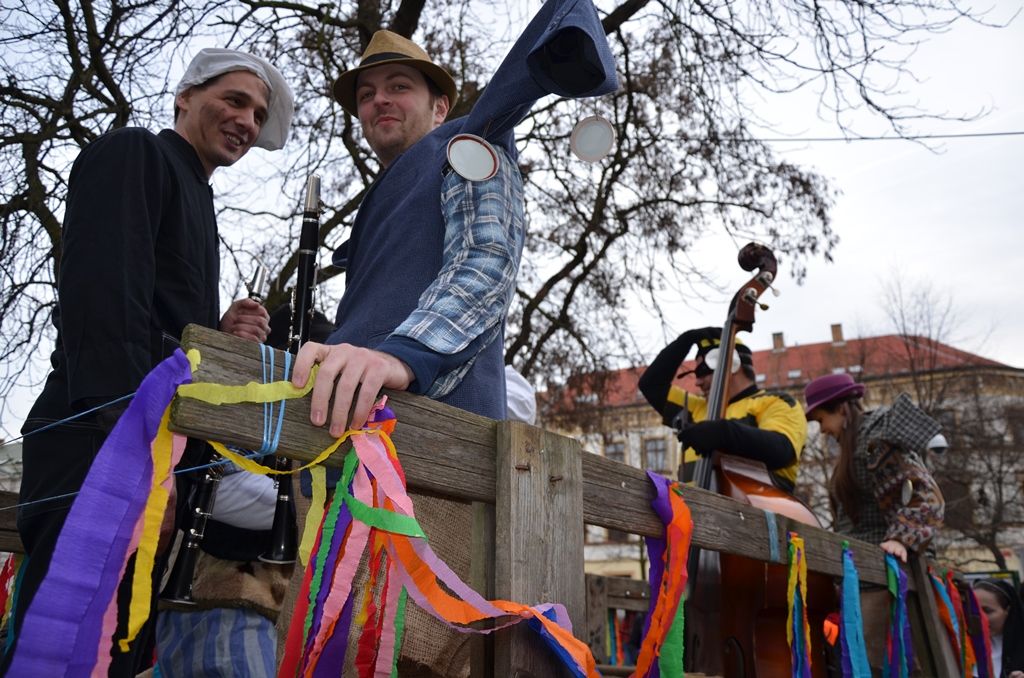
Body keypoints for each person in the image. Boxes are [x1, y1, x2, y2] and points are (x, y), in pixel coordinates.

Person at [7, 48, 293, 675]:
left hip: (154, 459)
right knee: (66, 638)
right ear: (184, 99)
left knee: (119, 647)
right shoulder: (136, 153)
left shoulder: (197, 198)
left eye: (259, 112)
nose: (247, 119)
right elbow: (106, 309)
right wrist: (137, 462)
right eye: (236, 99)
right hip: (102, 444)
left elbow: (158, 327)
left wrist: (217, 339)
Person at [803, 373, 945, 674]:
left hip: (886, 577)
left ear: (842, 409)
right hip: (864, 574)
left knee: (879, 665)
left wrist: (901, 538)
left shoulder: (874, 439)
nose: (822, 431)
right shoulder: (856, 445)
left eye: (821, 419)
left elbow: (927, 495)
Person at [637, 326, 806, 492]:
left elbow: (782, 450)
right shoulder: (698, 409)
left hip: (758, 513)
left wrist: (723, 432)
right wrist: (685, 341)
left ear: (732, 365)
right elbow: (651, 385)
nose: (697, 382)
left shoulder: (776, 402)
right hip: (693, 515)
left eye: (703, 371)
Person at [973, 578, 1024, 678]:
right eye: (974, 611)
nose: (980, 619)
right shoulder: (963, 647)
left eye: (987, 611)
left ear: (1008, 610)